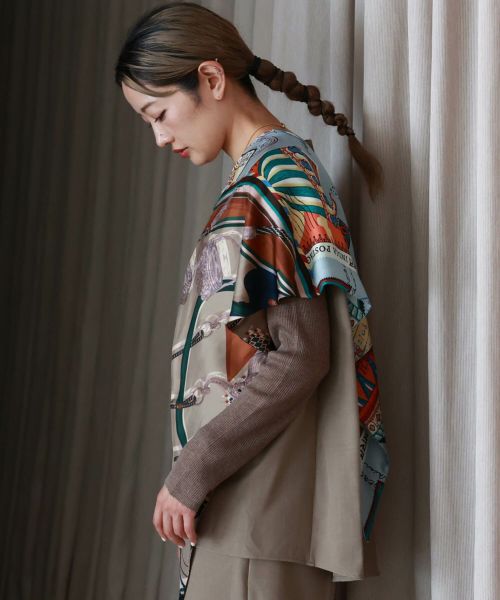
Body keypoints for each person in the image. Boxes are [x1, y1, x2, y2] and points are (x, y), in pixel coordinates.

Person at [114, 3, 390, 599]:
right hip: (259, 511)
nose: (159, 137)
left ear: (212, 79)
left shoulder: (270, 183)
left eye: (159, 114)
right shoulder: (280, 171)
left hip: (255, 519)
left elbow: (300, 354)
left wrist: (192, 471)